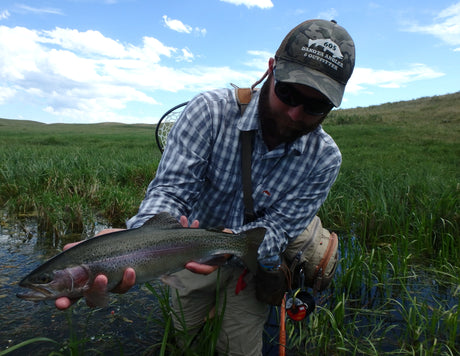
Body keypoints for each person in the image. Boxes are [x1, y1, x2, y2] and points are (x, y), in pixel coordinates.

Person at [56, 19, 355, 355]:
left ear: (334, 103)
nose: (295, 113)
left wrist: (232, 247)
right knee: (186, 339)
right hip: (184, 256)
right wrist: (134, 242)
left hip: (250, 268)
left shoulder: (325, 159)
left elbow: (279, 228)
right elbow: (170, 192)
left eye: (315, 106)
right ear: (271, 70)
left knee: (240, 350)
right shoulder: (210, 111)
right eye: (287, 92)